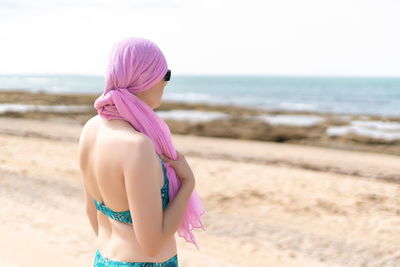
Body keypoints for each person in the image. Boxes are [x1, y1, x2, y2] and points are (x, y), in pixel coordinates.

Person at [78, 37, 206, 267]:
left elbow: (93, 213)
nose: (166, 82)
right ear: (145, 79)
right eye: (163, 74)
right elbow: (152, 245)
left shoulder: (91, 129)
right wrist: (188, 183)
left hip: (105, 259)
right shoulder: (137, 147)